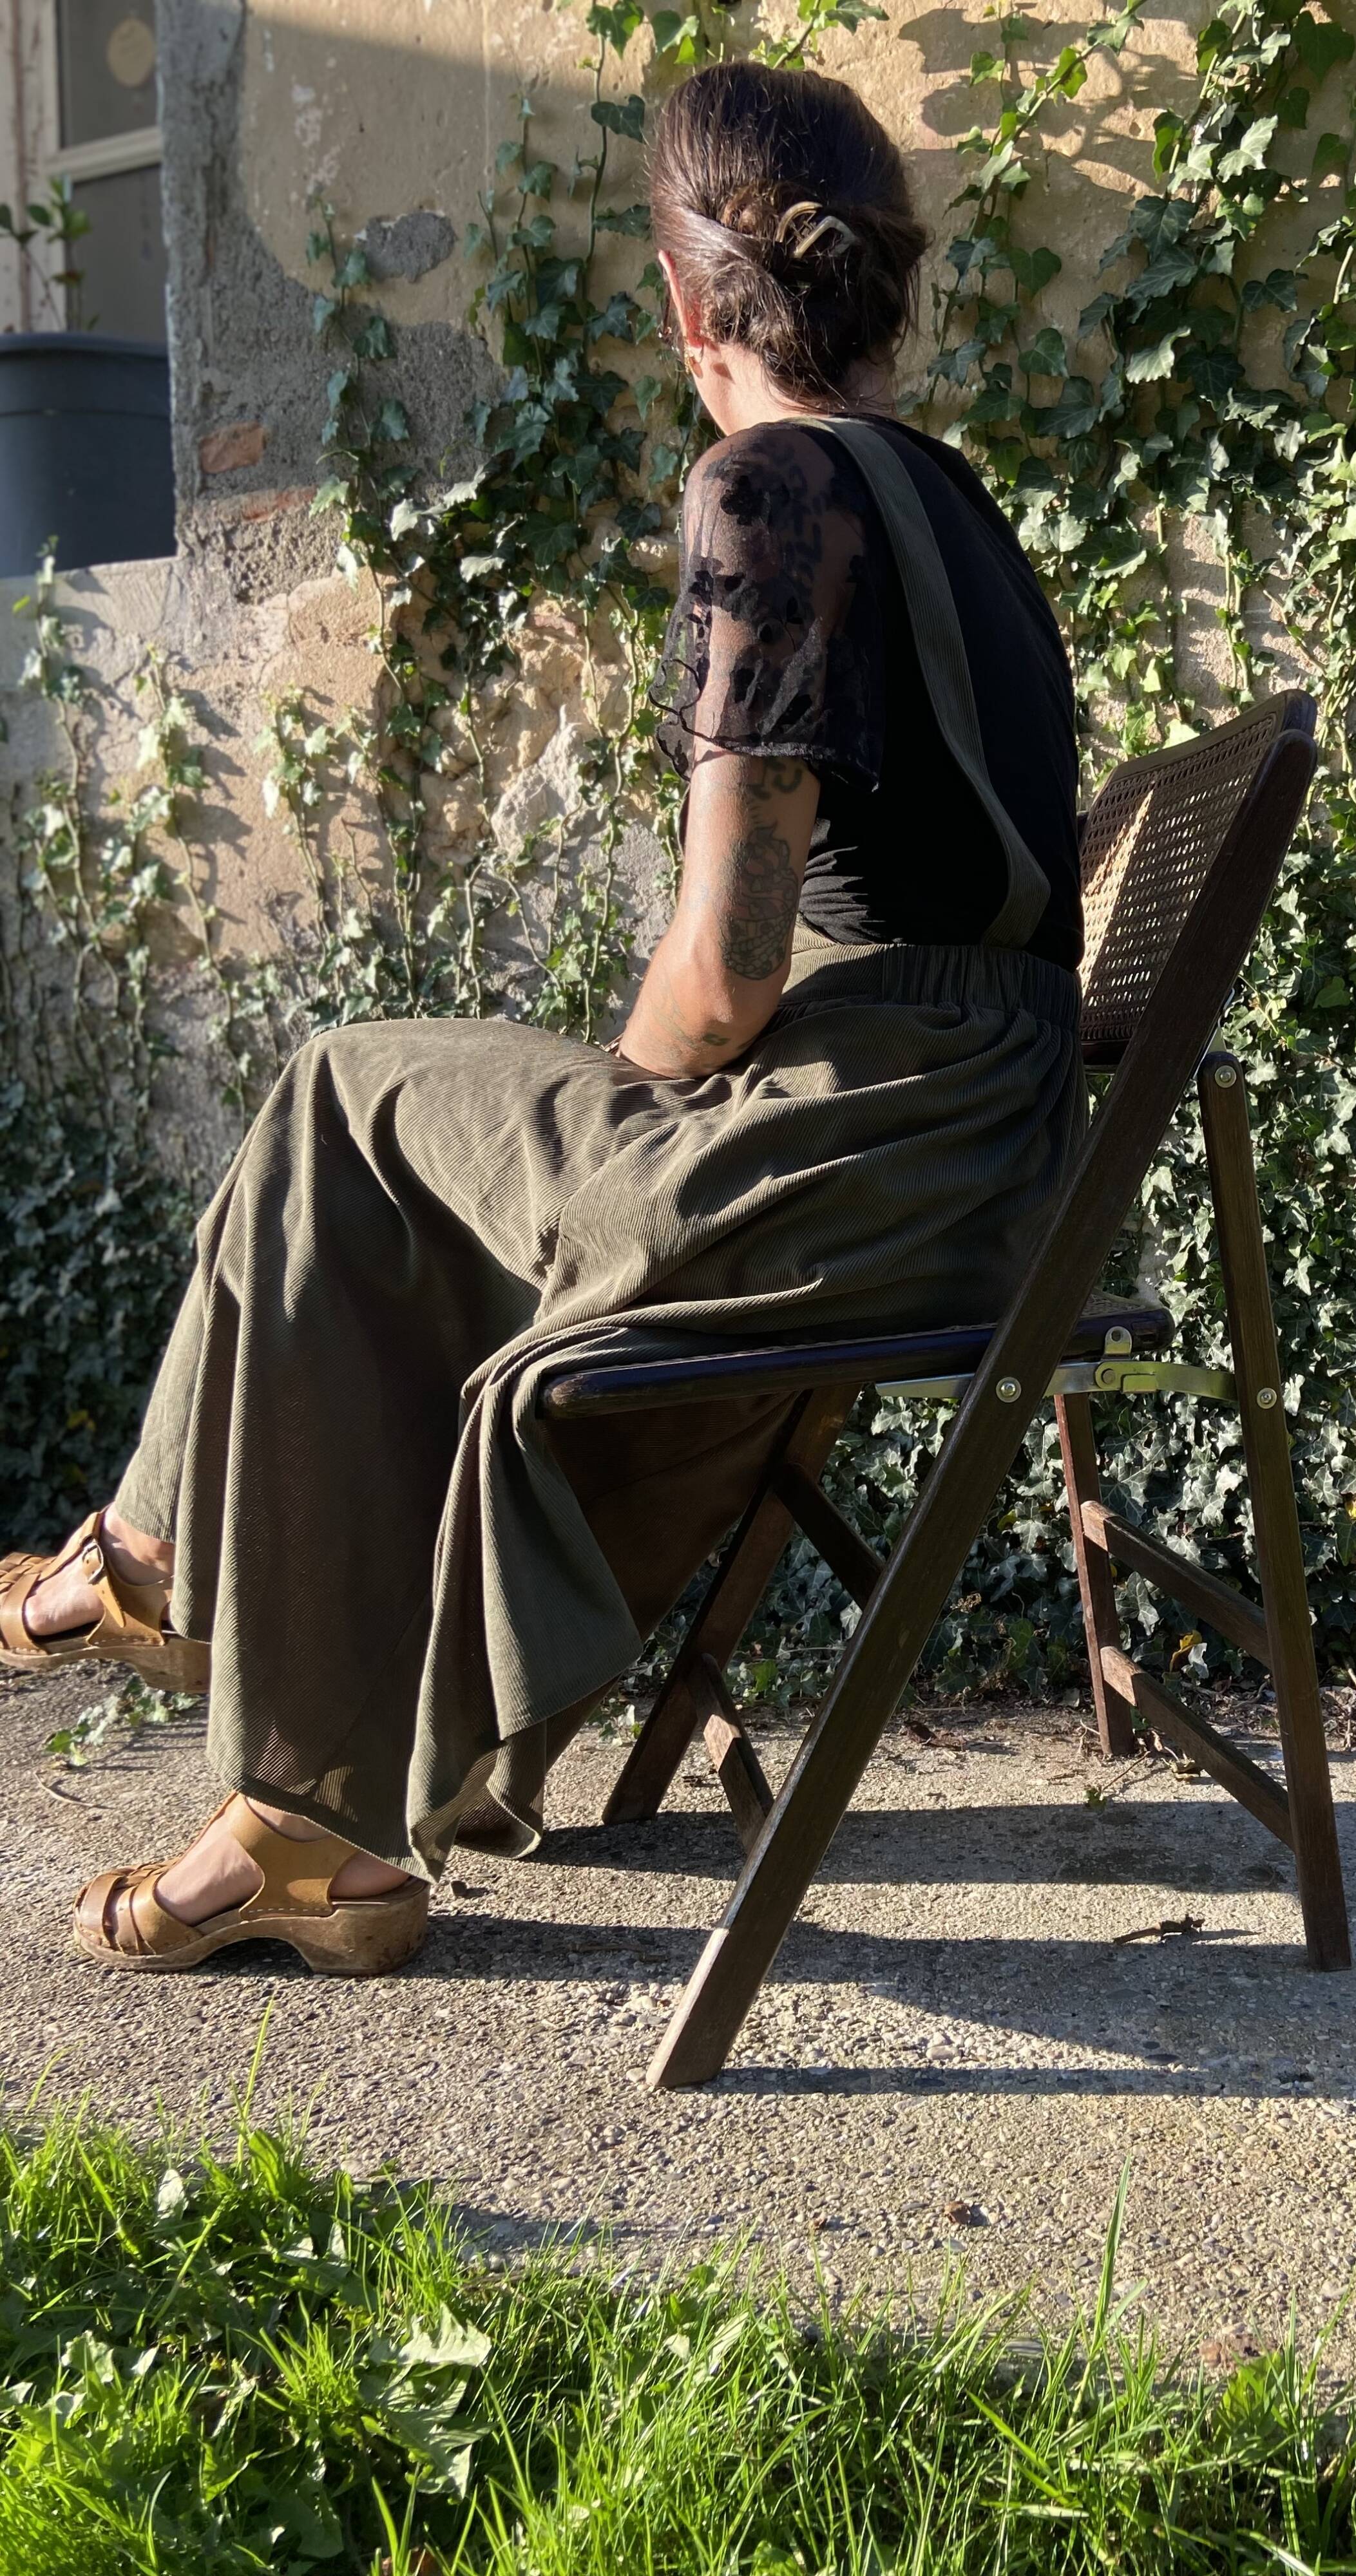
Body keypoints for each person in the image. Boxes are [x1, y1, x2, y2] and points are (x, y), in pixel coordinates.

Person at [0, 59, 1084, 1976]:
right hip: (960, 1140)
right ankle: (276, 1776)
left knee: (347, 1098)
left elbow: (726, 969)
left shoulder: (771, 489)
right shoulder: (960, 507)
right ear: (884, 288)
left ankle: (187, 1601)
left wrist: (615, 1103)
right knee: (401, 1149)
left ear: (686, 305)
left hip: (851, 1155)